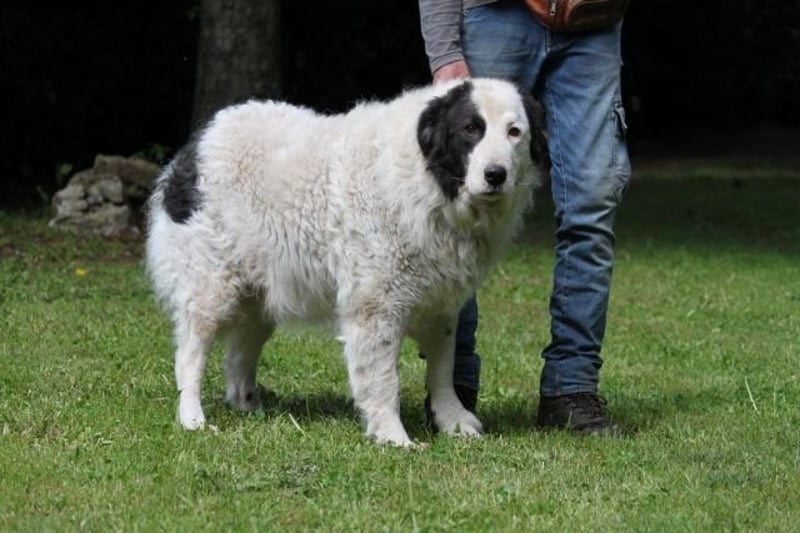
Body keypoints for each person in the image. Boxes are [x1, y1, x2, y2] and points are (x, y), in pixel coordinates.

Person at [419, 0, 632, 435]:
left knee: (591, 206)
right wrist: (444, 53)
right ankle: (451, 389)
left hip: (593, 19)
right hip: (492, 15)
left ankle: (571, 389)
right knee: (459, 211)